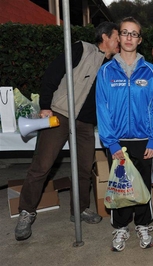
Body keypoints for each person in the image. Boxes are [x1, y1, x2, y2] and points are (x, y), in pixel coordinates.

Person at [14, 22, 120, 241]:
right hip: (61, 114)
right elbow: (53, 73)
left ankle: (79, 209)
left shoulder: (113, 65)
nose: (120, 41)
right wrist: (45, 105)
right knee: (42, 165)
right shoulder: (82, 49)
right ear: (104, 37)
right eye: (117, 36)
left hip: (86, 123)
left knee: (84, 168)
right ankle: (26, 212)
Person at [96, 17, 153, 252]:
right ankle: (120, 228)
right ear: (119, 37)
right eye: (124, 33)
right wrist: (111, 143)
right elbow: (102, 110)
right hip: (117, 143)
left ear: (140, 39)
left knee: (143, 186)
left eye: (133, 34)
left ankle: (143, 225)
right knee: (120, 188)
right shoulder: (106, 72)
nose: (128, 37)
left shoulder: (151, 72)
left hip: (144, 141)